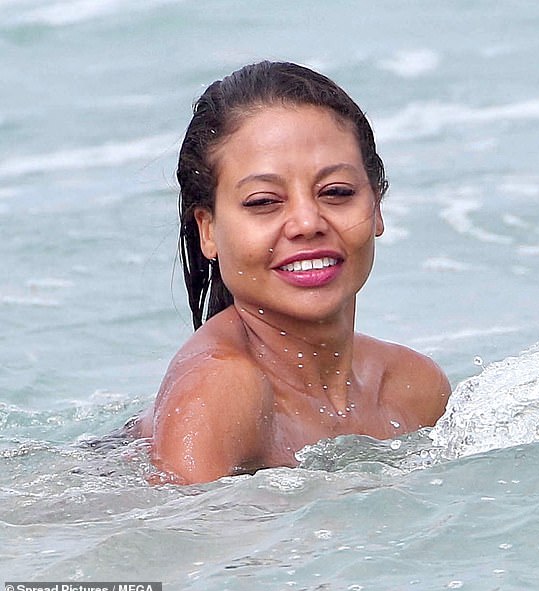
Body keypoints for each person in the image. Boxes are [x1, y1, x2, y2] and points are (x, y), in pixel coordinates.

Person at [133, 61, 450, 484]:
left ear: (376, 206)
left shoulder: (412, 387)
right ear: (208, 230)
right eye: (264, 201)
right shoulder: (219, 389)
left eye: (336, 192)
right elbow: (174, 540)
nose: (307, 222)